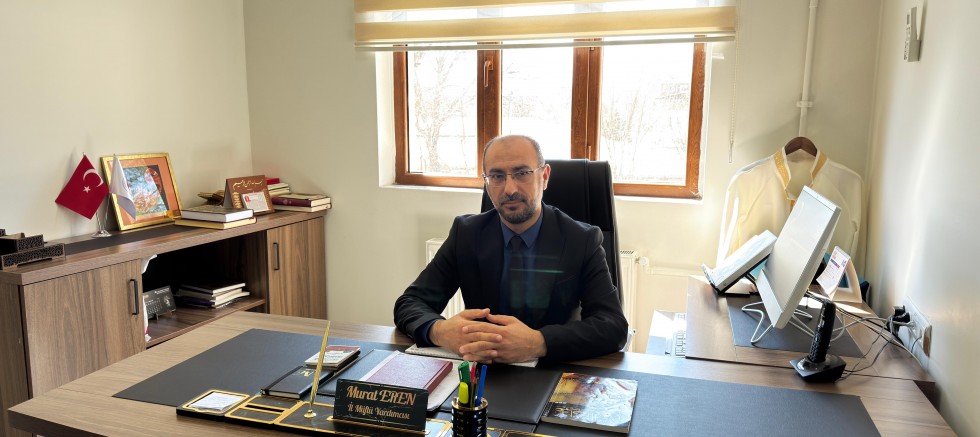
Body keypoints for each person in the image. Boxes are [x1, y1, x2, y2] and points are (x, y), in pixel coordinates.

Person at [394, 135, 628, 363]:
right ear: (486, 182)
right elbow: (410, 302)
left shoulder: (581, 240)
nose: (509, 189)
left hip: (551, 371)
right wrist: (439, 331)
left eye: (522, 173)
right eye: (497, 176)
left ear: (544, 176)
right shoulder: (466, 234)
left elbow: (612, 325)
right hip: (484, 369)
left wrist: (539, 342)